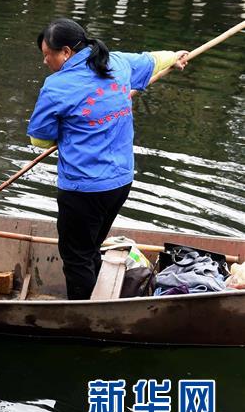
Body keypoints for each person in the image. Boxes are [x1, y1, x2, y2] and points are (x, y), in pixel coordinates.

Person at [26, 18, 188, 300]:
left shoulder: (57, 87)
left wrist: (64, 131)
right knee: (90, 247)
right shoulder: (118, 63)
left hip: (83, 189)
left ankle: (84, 316)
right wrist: (174, 58)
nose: (44, 62)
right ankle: (103, 298)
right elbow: (153, 60)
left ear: (65, 52)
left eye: (46, 55)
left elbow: (39, 139)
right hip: (120, 183)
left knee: (76, 257)